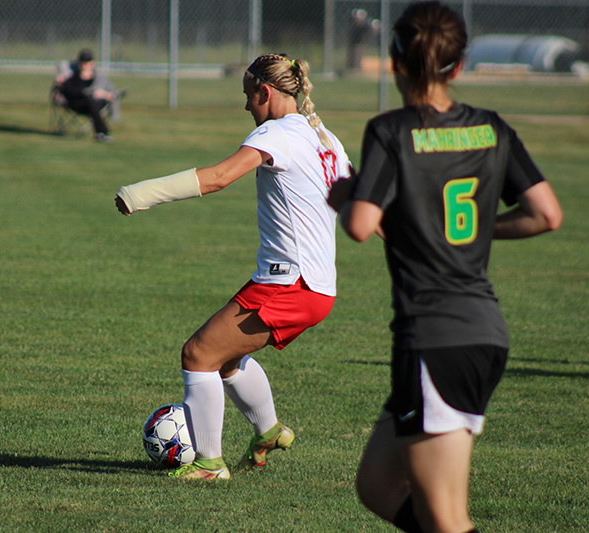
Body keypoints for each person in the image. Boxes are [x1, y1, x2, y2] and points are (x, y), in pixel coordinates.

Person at [339, 2, 563, 532]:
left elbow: (359, 223)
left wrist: (346, 198)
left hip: (436, 337)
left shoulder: (391, 130)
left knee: (445, 518)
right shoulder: (491, 128)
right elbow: (546, 214)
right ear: (458, 68)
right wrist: (485, 229)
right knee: (376, 484)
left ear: (394, 64)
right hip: (481, 330)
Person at [115, 54, 352, 480]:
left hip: (289, 283)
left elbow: (220, 176)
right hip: (315, 288)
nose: (246, 107)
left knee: (198, 354)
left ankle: (209, 465)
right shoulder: (326, 139)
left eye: (248, 96)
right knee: (225, 359)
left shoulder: (276, 133)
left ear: (265, 92)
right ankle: (269, 431)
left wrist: (140, 194)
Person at [59, 49, 122, 143]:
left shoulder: (100, 78)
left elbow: (112, 93)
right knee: (90, 100)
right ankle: (102, 132)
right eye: (82, 63)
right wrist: (88, 93)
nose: (85, 65)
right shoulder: (73, 78)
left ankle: (101, 133)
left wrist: (103, 94)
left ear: (93, 64)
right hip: (79, 105)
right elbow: (68, 91)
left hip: (98, 103)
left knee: (93, 101)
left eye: (87, 62)